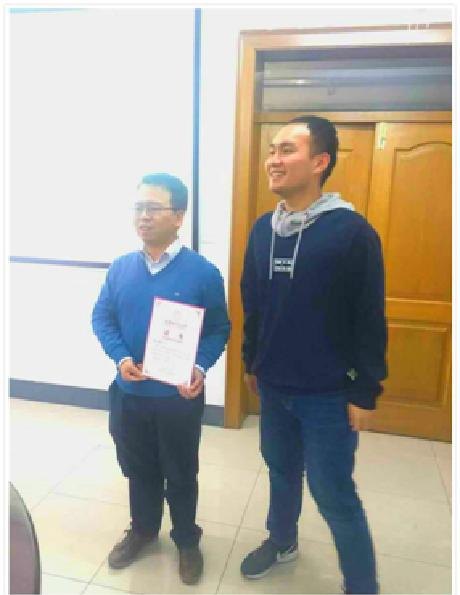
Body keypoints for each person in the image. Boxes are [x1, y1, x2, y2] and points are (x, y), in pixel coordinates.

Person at [240, 116, 387, 594]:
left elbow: (369, 316)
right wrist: (251, 361)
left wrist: (365, 391)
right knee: (281, 470)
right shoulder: (264, 230)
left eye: (287, 150)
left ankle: (361, 584)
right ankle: (282, 541)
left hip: (328, 393)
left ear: (320, 161)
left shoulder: (352, 233)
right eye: (272, 150)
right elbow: (253, 302)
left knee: (332, 491)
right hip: (274, 385)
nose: (273, 160)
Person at [92, 173, 230, 585]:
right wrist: (121, 358)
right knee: (138, 468)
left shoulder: (203, 273)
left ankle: (186, 539)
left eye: (153, 208)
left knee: (181, 471)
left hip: (177, 399)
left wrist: (199, 368)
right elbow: (102, 318)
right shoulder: (121, 268)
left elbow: (218, 329)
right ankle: (143, 530)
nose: (144, 216)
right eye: (138, 208)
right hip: (130, 393)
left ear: (179, 216)